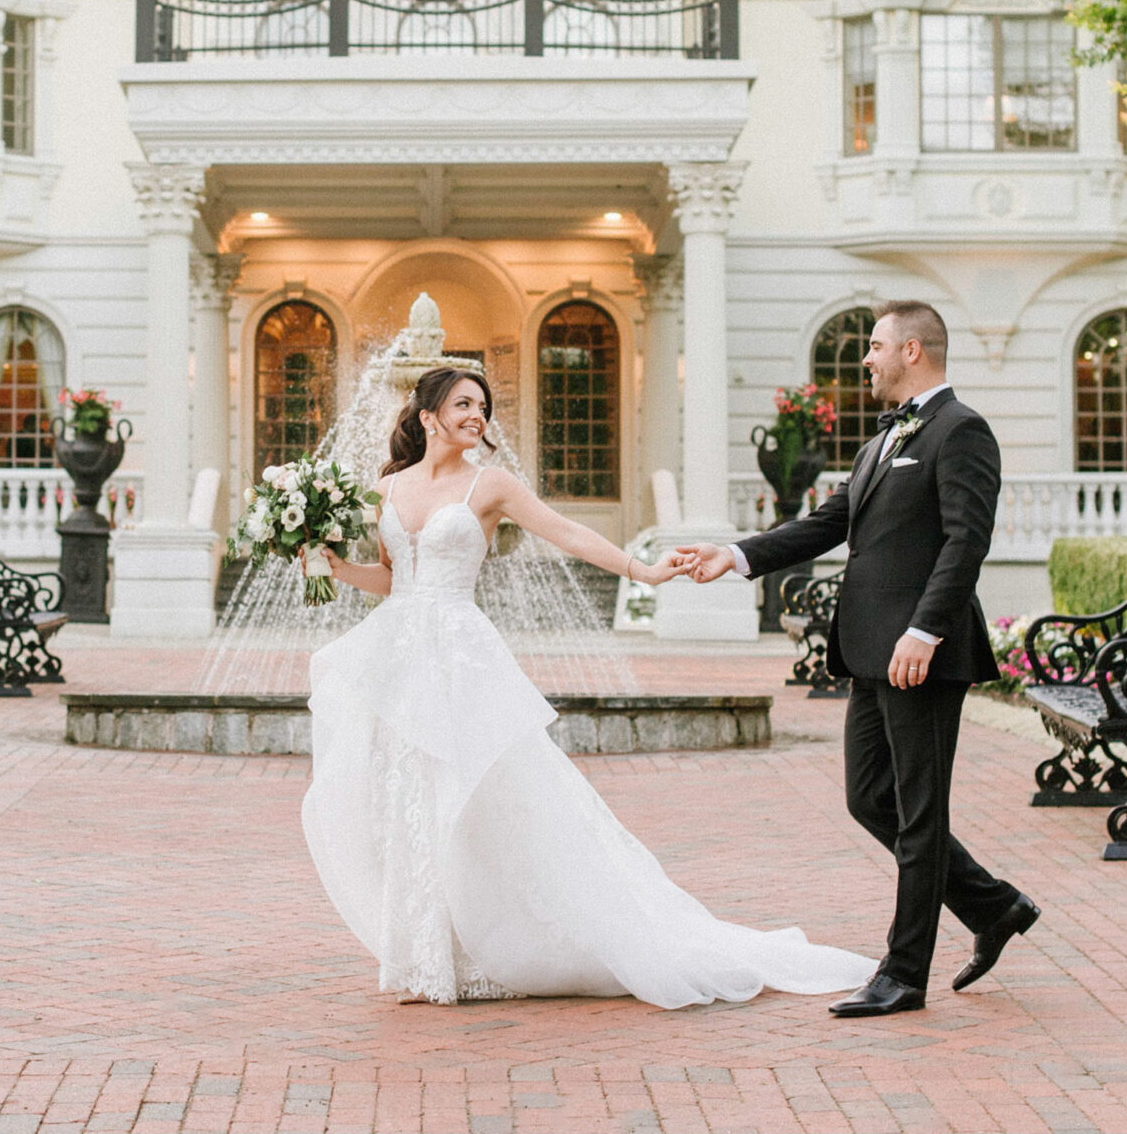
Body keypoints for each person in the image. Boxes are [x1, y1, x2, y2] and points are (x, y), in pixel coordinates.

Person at [303, 365, 877, 1008]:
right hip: (399, 657)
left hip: (461, 658)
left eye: (483, 406)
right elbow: (390, 579)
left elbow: (566, 532)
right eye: (464, 404)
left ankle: (516, 942)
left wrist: (642, 570)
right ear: (428, 415)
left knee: (480, 803)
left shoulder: (489, 484)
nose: (478, 416)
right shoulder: (387, 487)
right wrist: (331, 567)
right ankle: (433, 955)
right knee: (411, 800)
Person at [673, 300, 1040, 1018]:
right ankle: (993, 907)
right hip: (870, 646)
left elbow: (966, 541)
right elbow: (828, 523)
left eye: (874, 346)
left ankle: (904, 973)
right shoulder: (881, 440)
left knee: (920, 813)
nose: (865, 359)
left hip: (921, 654)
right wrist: (737, 554)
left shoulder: (961, 431)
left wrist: (927, 630)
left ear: (912, 351)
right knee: (869, 798)